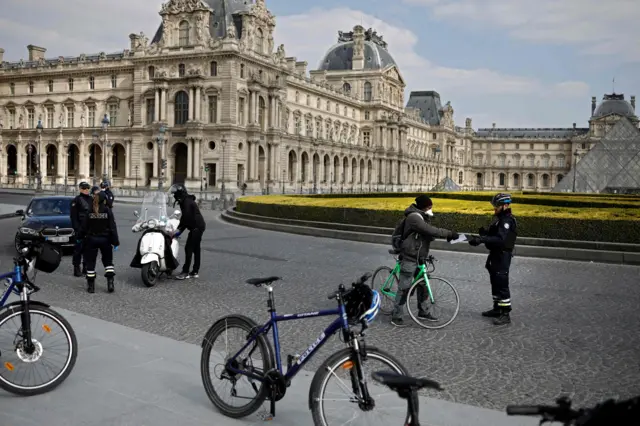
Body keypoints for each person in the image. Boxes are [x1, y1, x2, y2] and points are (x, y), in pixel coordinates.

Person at [391, 195, 459, 327]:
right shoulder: (414, 217)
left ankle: (423, 311)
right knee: (404, 288)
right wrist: (449, 233)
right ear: (423, 206)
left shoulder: (422, 216)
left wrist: (449, 237)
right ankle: (396, 316)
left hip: (420, 258)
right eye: (429, 206)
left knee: (423, 285)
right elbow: (430, 230)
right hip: (410, 257)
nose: (431, 208)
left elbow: (428, 235)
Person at [468, 193, 517, 326]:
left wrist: (482, 239)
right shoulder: (499, 218)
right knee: (495, 282)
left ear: (505, 205)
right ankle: (497, 308)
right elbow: (494, 235)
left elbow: (500, 240)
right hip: (495, 255)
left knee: (502, 283)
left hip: (502, 255)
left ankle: (505, 313)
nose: (495, 208)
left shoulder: (507, 220)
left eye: (497, 205)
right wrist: (483, 235)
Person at [78, 191, 119, 293]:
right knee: (108, 263)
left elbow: (84, 226)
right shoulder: (107, 210)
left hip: (91, 240)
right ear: (104, 200)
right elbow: (112, 227)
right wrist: (115, 242)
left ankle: (91, 286)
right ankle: (110, 283)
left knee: (90, 263)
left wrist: (79, 237)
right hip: (105, 240)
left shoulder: (90, 210)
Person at [169, 184, 205, 280]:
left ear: (179, 194)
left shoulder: (186, 202)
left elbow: (186, 218)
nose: (174, 196)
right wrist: (180, 228)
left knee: (188, 248)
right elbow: (185, 218)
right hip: (198, 226)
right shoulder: (185, 200)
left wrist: (179, 230)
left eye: (175, 194)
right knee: (196, 249)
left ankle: (185, 272)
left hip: (196, 227)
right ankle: (195, 271)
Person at [70, 181, 92, 277]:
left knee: (88, 250)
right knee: (78, 249)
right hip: (80, 229)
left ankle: (86, 267)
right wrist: (77, 229)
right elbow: (73, 217)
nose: (86, 190)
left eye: (87, 188)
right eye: (84, 188)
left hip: (90, 229)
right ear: (80, 189)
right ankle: (76, 268)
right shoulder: (76, 200)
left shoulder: (92, 199)